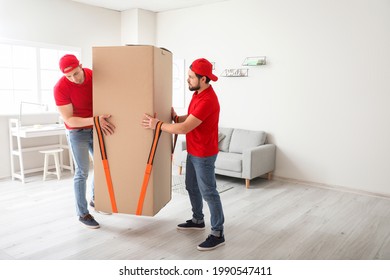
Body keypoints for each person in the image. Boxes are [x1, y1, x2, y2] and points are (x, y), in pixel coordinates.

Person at [142, 58, 225, 251]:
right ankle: (198, 220)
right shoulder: (198, 94)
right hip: (194, 149)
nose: (187, 80)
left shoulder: (208, 100)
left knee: (209, 192)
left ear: (203, 78)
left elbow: (185, 128)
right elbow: (191, 118)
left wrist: (158, 125)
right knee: (191, 187)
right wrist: (176, 117)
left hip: (204, 153)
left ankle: (218, 233)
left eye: (190, 77)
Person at [54, 54, 115, 229]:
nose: (74, 79)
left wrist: (97, 121)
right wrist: (95, 120)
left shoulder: (94, 75)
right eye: (69, 76)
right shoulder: (60, 88)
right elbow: (70, 120)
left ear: (81, 66)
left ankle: (96, 199)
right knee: (82, 172)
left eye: (76, 73)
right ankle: (82, 213)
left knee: (103, 166)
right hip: (76, 132)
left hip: (96, 128)